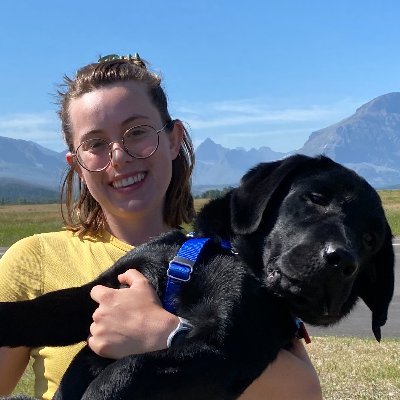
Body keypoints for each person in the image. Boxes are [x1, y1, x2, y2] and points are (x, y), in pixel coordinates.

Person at [0, 54, 322, 400]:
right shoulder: (36, 260)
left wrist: (168, 336)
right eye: (95, 144)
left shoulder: (234, 260)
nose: (119, 155)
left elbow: (304, 392)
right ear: (77, 165)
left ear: (173, 139)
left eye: (136, 132)